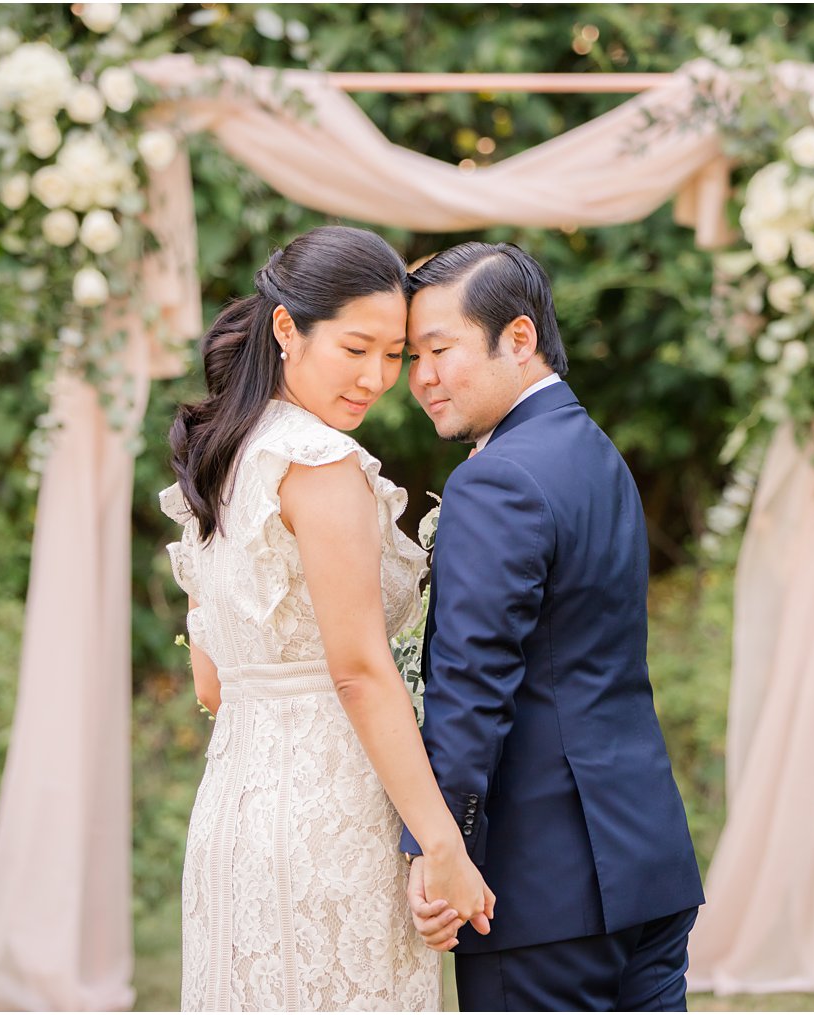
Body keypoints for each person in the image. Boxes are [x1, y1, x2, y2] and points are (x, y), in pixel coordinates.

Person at [160, 225, 493, 1011]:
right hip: (333, 816)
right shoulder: (319, 463)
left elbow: (210, 678)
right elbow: (359, 671)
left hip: (233, 811)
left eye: (394, 354)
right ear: (287, 328)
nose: (377, 377)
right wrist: (442, 843)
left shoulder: (222, 456)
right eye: (356, 348)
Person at [400, 241, 706, 1011]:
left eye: (440, 350)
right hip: (646, 864)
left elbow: (473, 683)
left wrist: (442, 846)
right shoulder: (597, 453)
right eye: (413, 356)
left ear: (521, 337)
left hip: (545, 892)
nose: (421, 378)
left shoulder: (495, 478)